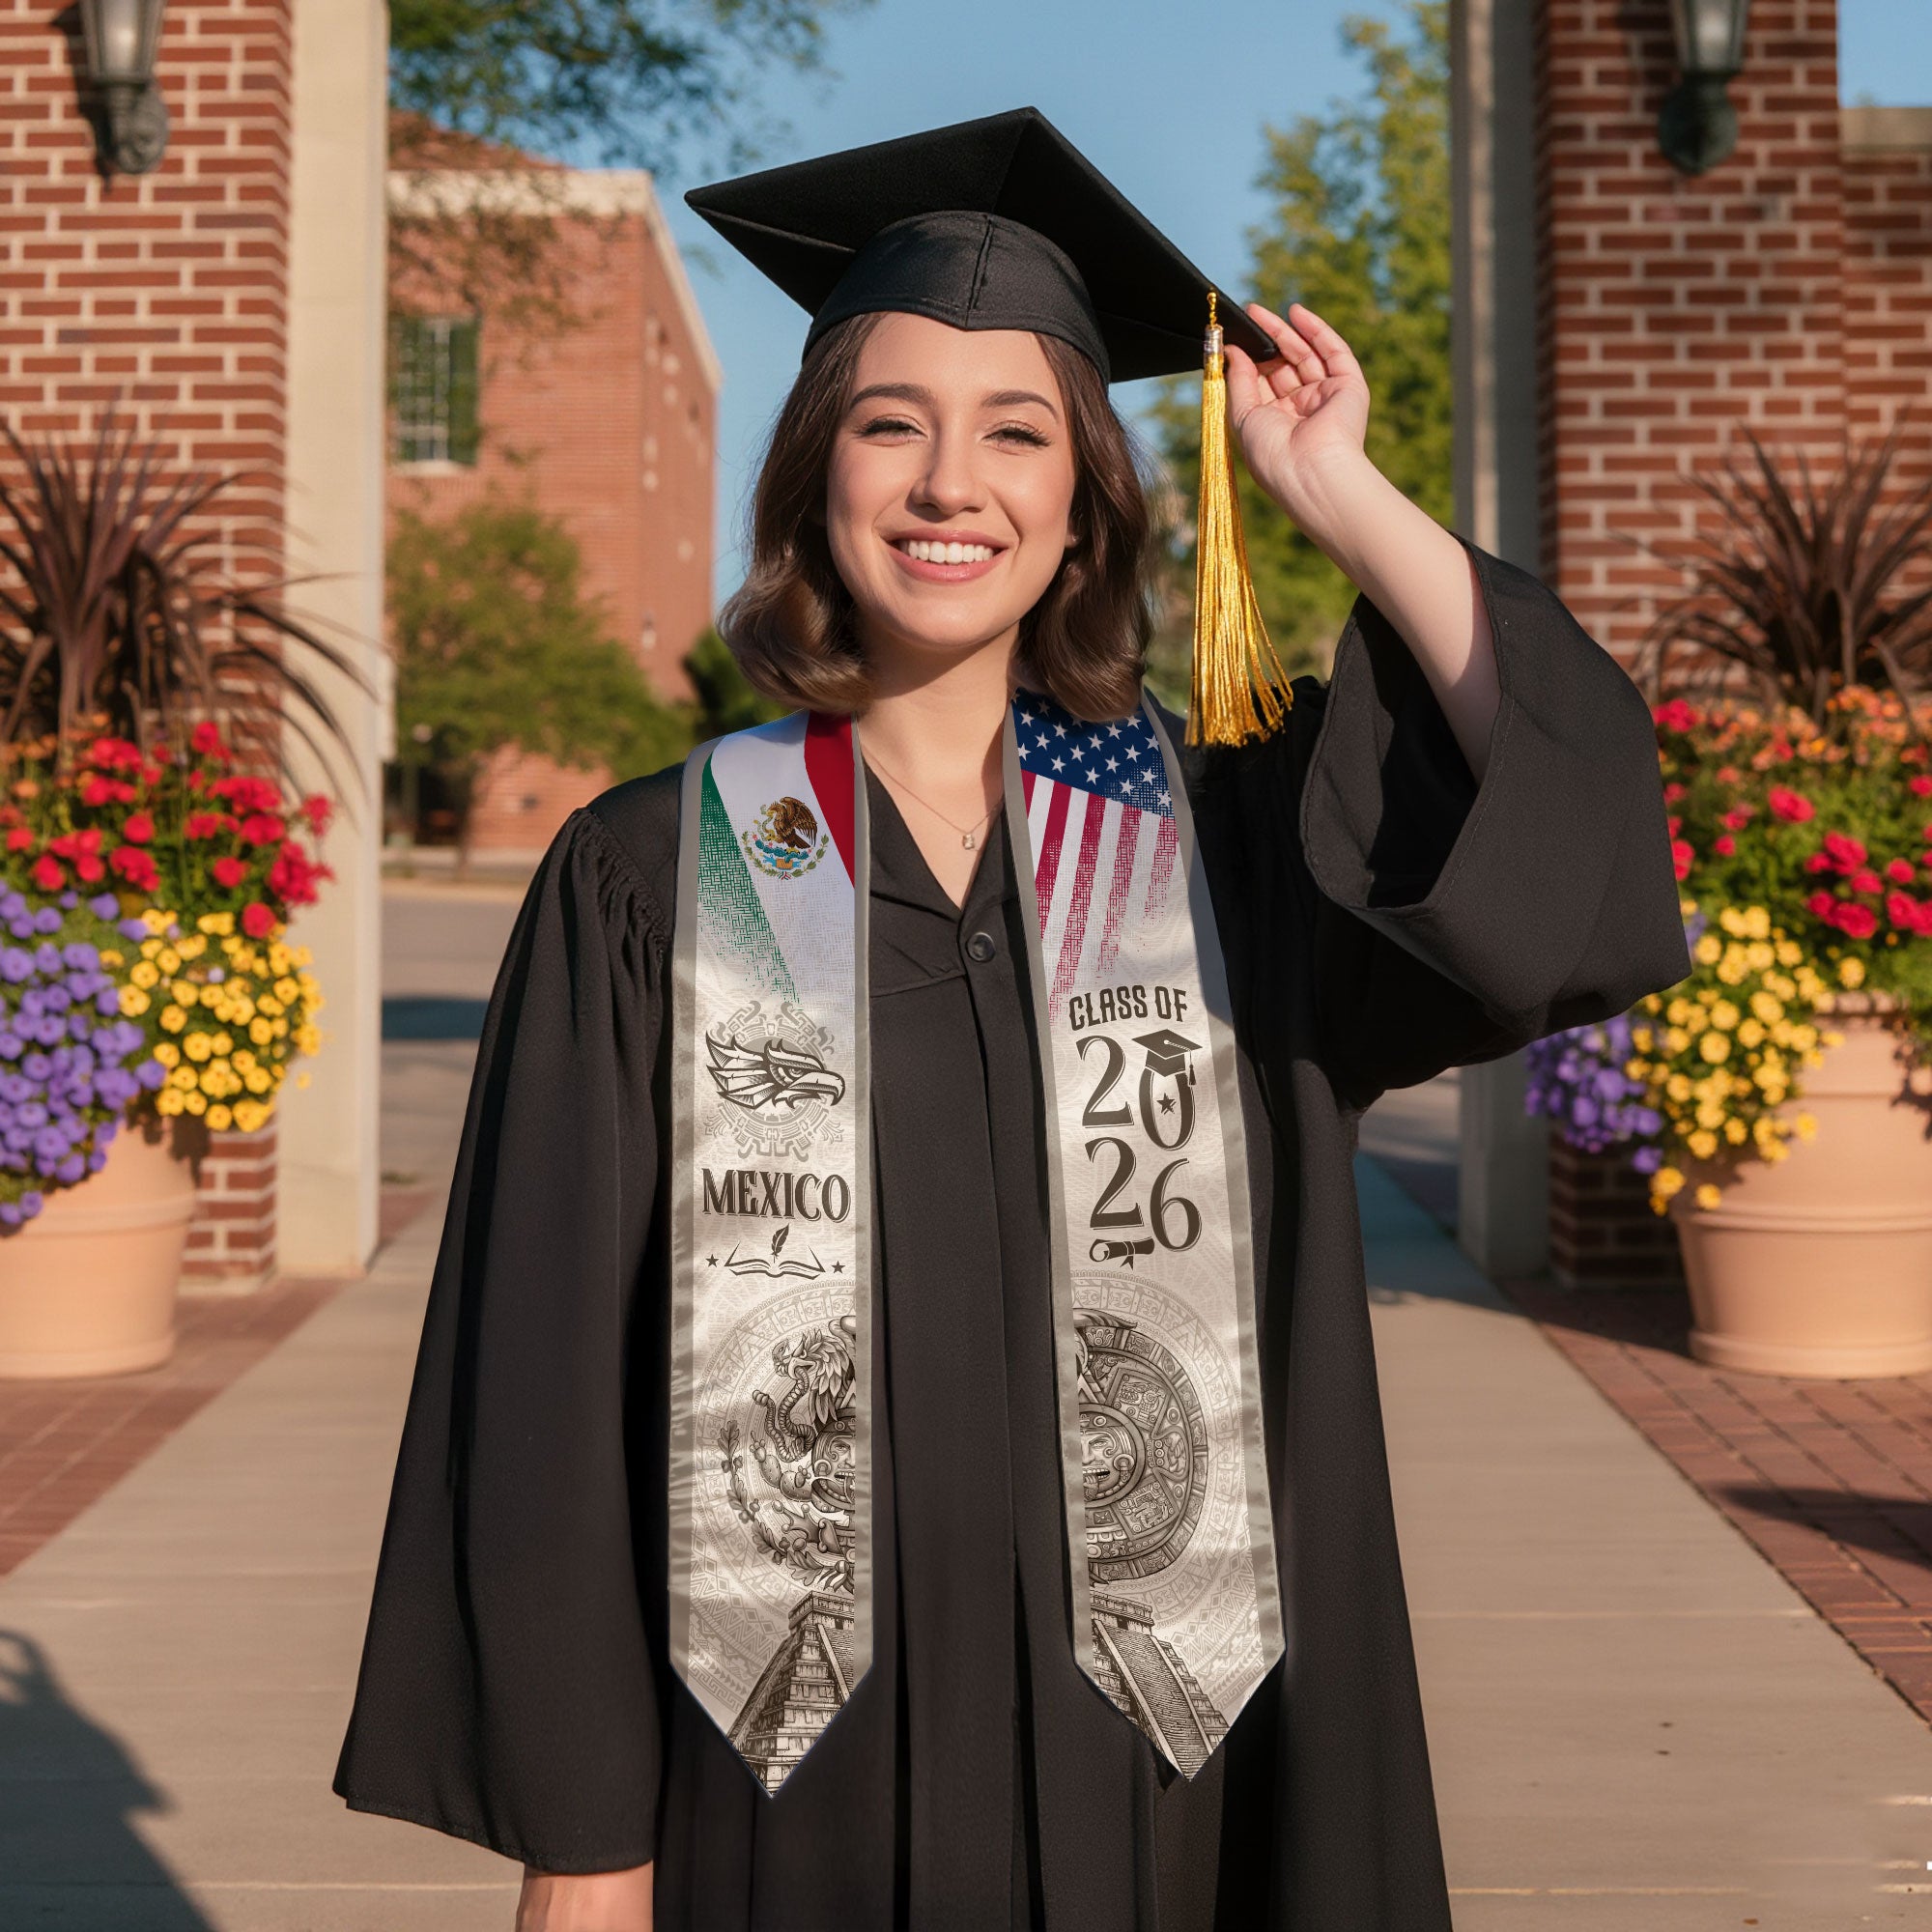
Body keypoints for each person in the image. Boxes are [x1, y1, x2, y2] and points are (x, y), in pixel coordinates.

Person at [332, 108, 1690, 1932]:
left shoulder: (1227, 850)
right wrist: (585, 1843)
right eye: (892, 424)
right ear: (819, 473)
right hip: (783, 1790)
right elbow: (548, 1385)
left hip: (1183, 1781)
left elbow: (1559, 827)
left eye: (1016, 433)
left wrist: (1336, 491)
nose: (948, 483)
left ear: (1083, 505)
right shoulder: (657, 878)